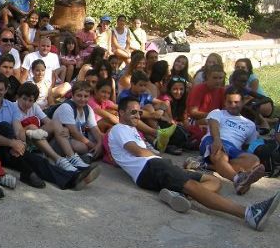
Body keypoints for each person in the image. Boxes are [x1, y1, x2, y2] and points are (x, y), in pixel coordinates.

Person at [108, 96, 279, 231]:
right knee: (193, 186)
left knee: (214, 181)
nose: (137, 115)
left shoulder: (131, 129)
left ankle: (179, 195)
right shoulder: (118, 129)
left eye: (139, 112)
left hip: (156, 165)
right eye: (133, 112)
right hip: (149, 168)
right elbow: (138, 152)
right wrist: (160, 158)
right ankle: (249, 214)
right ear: (121, 113)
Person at [0, 73, 50, 188]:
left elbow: (18, 130)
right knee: (4, 126)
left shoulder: (11, 106)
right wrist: (12, 143)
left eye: (0, 89)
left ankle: (69, 177)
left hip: (5, 149)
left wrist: (21, 145)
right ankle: (27, 172)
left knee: (37, 160)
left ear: (6, 90)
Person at [16, 82, 98, 185]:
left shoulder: (34, 107)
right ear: (17, 97)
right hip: (22, 141)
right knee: (33, 127)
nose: (27, 103)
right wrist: (30, 129)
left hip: (38, 138)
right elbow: (17, 133)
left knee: (55, 123)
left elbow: (49, 122)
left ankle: (72, 158)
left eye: (30, 100)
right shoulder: (13, 107)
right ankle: (64, 162)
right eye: (24, 99)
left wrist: (64, 128)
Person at [199, 88, 266, 194]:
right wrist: (217, 140)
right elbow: (213, 126)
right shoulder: (217, 113)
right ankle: (238, 180)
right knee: (220, 154)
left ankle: (206, 165)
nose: (233, 105)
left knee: (254, 161)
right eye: (229, 102)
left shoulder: (250, 125)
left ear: (243, 102)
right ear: (225, 102)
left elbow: (246, 145)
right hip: (213, 140)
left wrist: (244, 157)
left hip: (233, 148)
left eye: (236, 102)